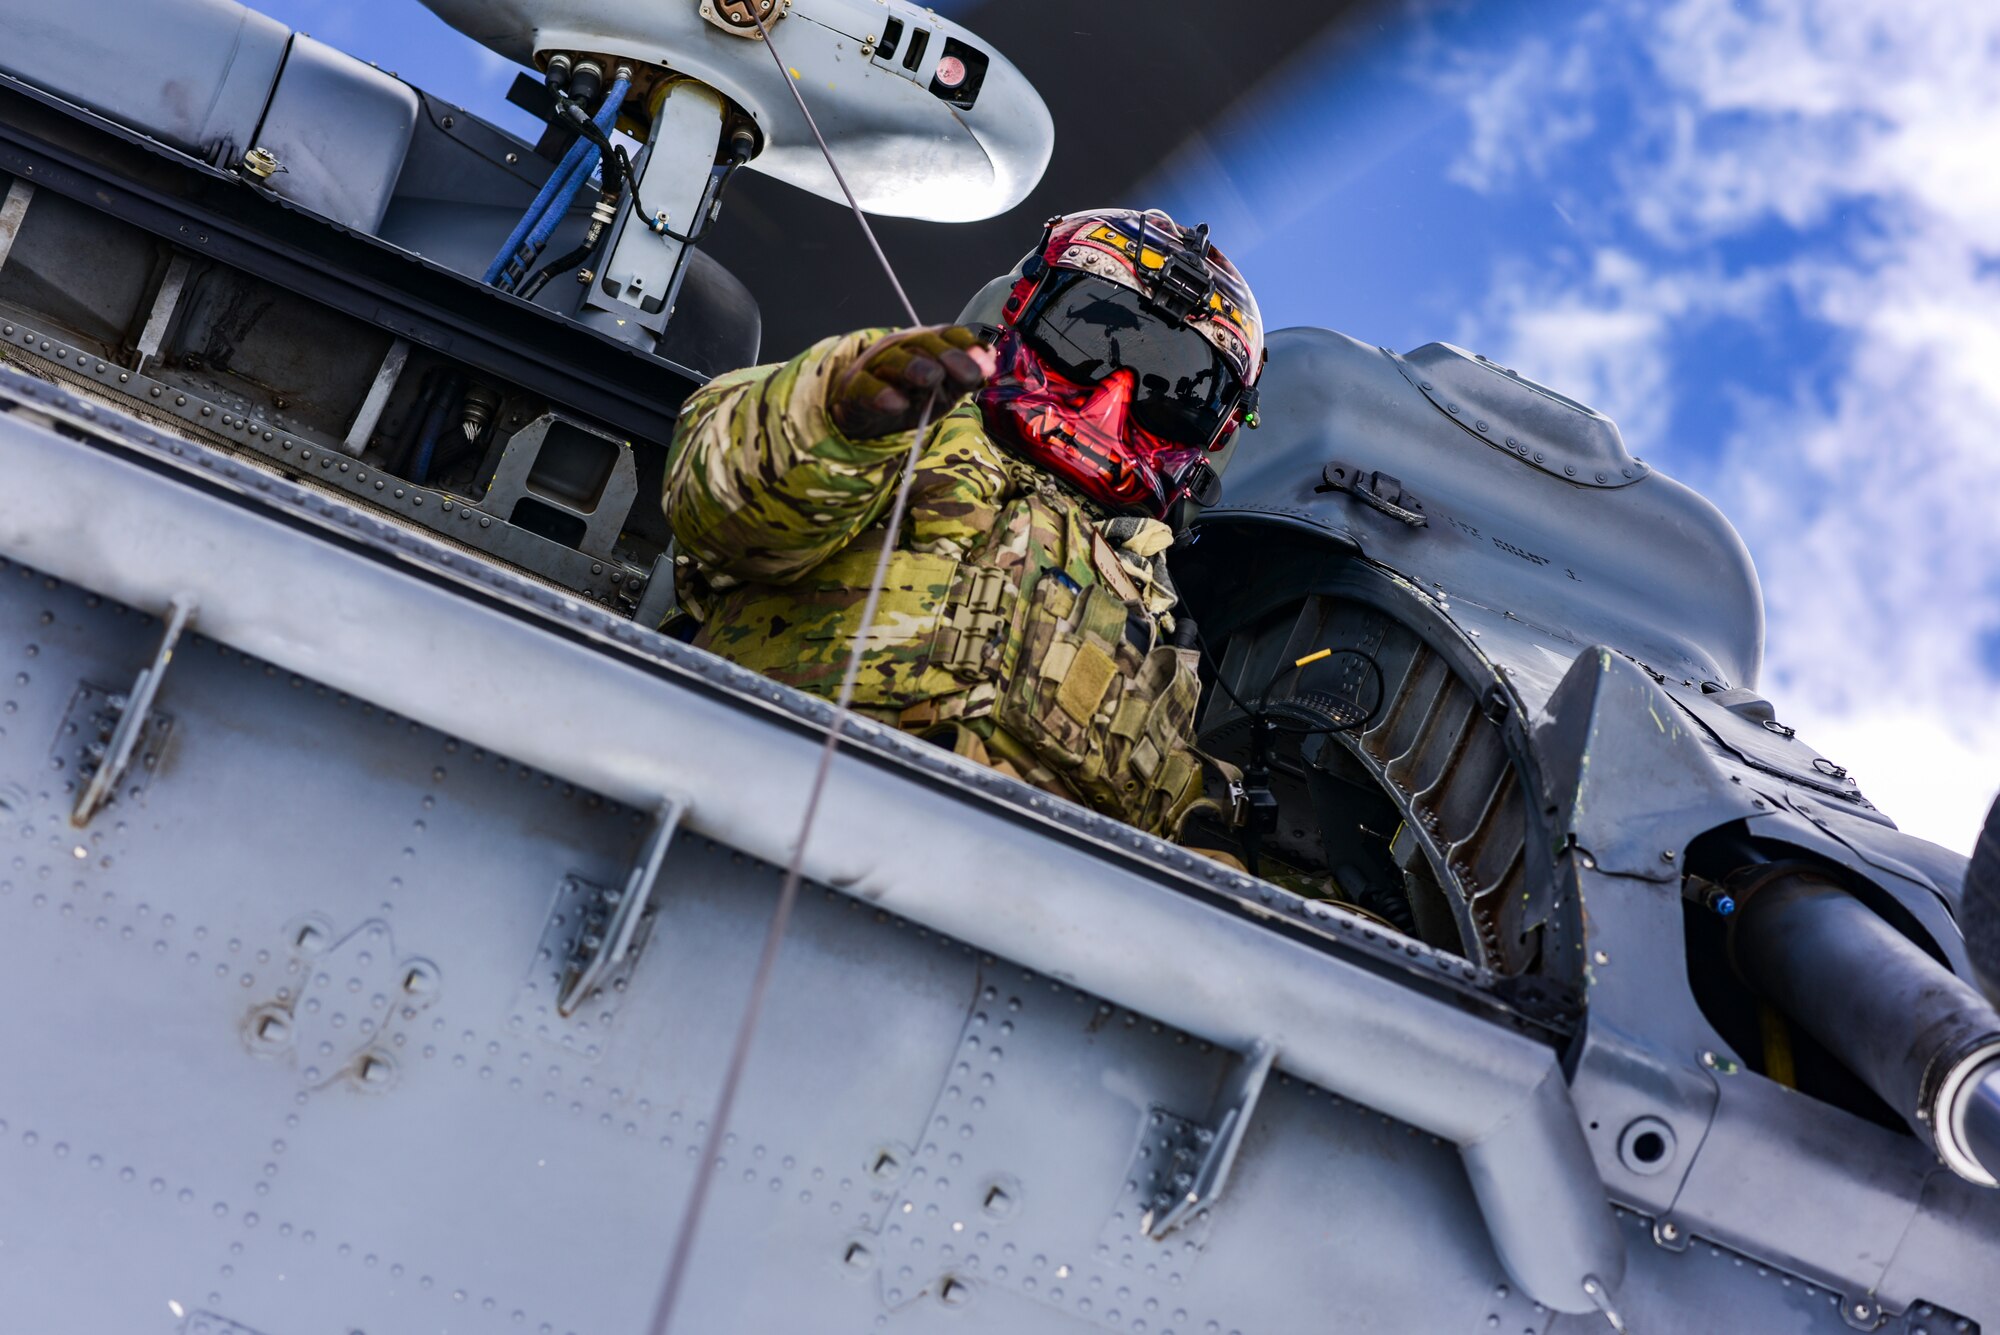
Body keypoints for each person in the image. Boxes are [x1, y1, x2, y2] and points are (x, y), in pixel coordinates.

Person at [662, 208, 1264, 838]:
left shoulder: (1176, 637)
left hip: (1006, 904)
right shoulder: (900, 430)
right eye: (1079, 343)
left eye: (1173, 395)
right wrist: (839, 417)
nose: (1107, 401)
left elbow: (1189, 838)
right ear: (1018, 312)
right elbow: (720, 497)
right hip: (753, 797)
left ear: (1215, 437)